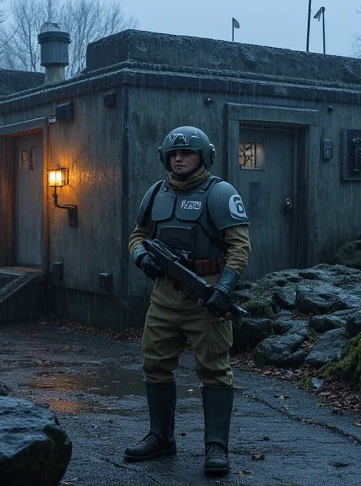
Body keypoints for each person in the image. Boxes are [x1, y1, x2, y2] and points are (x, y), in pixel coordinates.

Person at [124, 126, 251, 476]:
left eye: (188, 153)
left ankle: (216, 446)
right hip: (164, 294)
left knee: (213, 368)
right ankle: (161, 437)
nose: (179, 158)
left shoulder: (219, 193)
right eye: (174, 154)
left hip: (205, 293)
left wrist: (224, 289)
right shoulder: (155, 193)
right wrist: (142, 258)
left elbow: (240, 248)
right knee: (155, 364)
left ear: (203, 156)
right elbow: (138, 235)